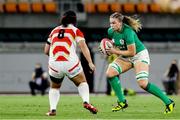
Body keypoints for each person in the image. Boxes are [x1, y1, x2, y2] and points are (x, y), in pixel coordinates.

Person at [99, 12, 175, 114]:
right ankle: (122, 102)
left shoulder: (128, 32)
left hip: (139, 55)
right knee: (110, 73)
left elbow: (132, 52)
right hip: (126, 57)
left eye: (114, 23)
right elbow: (117, 44)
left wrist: (114, 51)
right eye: (110, 23)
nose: (111, 25)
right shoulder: (111, 31)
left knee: (142, 83)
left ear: (120, 23)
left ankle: (168, 102)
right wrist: (107, 49)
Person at [44, 10, 98, 116]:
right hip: (70, 63)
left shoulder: (54, 31)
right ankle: (86, 102)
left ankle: (53, 110)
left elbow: (46, 51)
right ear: (75, 20)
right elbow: (84, 47)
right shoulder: (76, 31)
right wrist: (90, 62)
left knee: (54, 87)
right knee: (82, 82)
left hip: (54, 64)